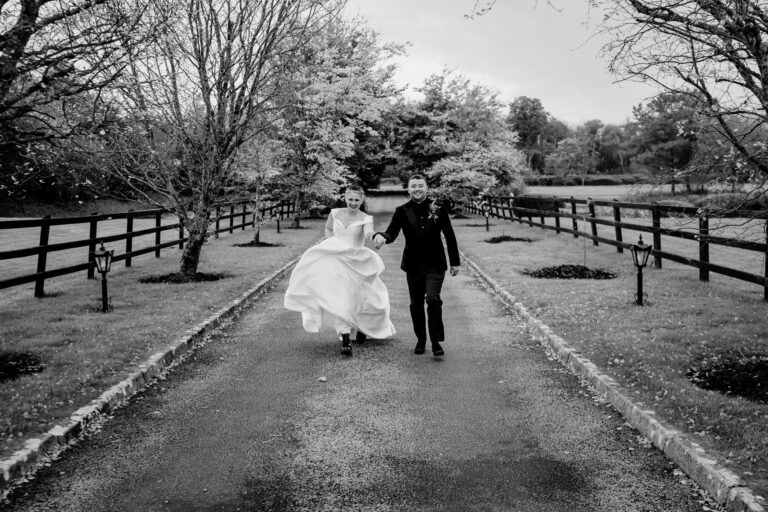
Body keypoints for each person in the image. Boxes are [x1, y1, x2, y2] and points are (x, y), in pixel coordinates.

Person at [284, 185, 395, 356]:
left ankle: (361, 327)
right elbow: (329, 229)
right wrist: (332, 244)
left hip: (356, 262)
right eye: (350, 199)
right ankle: (345, 338)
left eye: (357, 200)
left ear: (362, 200)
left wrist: (375, 238)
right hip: (336, 261)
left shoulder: (365, 218)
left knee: (364, 297)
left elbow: (368, 233)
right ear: (345, 198)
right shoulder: (335, 213)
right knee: (342, 297)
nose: (353, 203)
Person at [373, 174, 460, 356]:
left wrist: (455, 262)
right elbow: (392, 233)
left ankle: (436, 342)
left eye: (421, 185)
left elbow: (449, 235)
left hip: (435, 264)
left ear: (426, 188)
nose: (417, 189)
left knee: (433, 299)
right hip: (413, 265)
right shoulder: (402, 211)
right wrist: (381, 237)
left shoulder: (438, 208)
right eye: (414, 186)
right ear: (409, 189)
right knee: (416, 304)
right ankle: (421, 339)